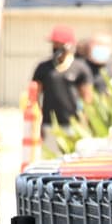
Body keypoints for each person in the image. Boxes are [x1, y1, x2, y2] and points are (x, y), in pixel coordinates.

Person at [31, 24, 93, 153]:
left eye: (59, 44)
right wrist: (37, 122)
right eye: (54, 44)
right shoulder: (43, 68)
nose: (56, 48)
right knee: (51, 159)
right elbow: (34, 97)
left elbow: (88, 99)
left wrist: (84, 123)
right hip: (49, 125)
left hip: (73, 126)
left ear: (69, 46)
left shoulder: (80, 68)